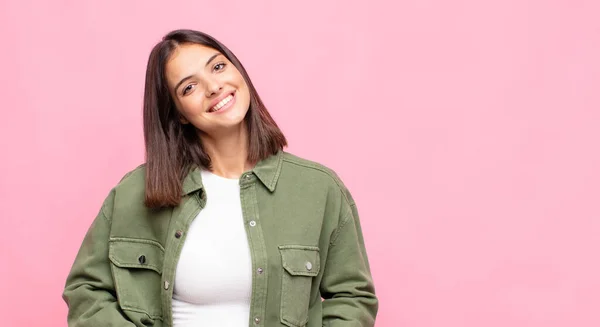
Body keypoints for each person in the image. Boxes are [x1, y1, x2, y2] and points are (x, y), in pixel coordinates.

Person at [62, 29, 378, 327]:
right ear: (179, 114)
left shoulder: (318, 189)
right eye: (189, 86)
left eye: (217, 67)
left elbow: (352, 297)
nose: (213, 87)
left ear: (238, 71)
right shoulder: (137, 192)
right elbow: (86, 289)